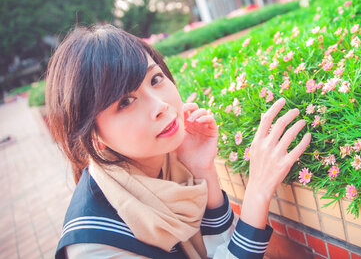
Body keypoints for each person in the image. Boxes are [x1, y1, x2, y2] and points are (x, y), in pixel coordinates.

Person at [47, 24, 311, 259]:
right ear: (94, 137)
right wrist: (257, 193)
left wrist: (202, 171)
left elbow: (219, 248)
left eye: (155, 79)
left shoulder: (166, 163)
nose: (160, 105)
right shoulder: (96, 247)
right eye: (125, 102)